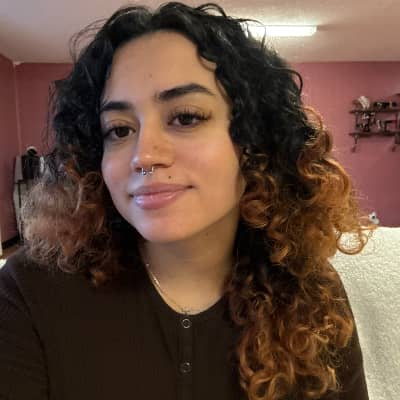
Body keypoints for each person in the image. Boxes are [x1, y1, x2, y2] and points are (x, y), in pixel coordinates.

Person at [0, 2, 373, 399]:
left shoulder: (312, 295)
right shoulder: (29, 293)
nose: (144, 155)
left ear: (255, 142)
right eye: (119, 130)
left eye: (186, 118)